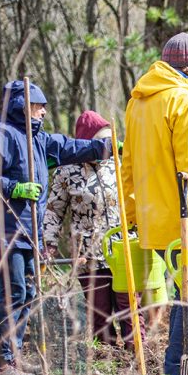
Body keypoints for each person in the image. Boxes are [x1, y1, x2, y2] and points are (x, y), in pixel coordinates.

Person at [0, 81, 111, 375]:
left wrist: (105, 148)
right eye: (38, 105)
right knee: (14, 290)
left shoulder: (38, 139)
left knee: (28, 292)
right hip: (1, 231)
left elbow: (71, 147)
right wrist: (13, 187)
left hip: (25, 232)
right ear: (21, 105)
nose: (43, 110)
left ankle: (12, 354)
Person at [122, 32, 188, 375]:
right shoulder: (185, 105)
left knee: (184, 291)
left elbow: (126, 165)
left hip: (150, 220)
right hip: (181, 219)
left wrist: (132, 216)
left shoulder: (138, 102)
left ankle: (181, 364)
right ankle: (178, 370)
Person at [42, 110, 145, 347]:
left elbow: (139, 199)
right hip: (89, 253)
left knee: (130, 306)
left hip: (123, 248)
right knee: (99, 314)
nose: (105, 149)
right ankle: (107, 359)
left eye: (108, 142)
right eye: (100, 143)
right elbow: (54, 210)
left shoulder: (121, 165)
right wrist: (49, 243)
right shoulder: (66, 170)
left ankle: (138, 353)